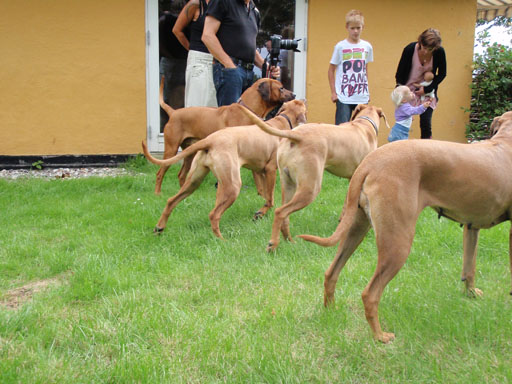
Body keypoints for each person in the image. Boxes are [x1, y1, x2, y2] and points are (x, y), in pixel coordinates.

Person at [201, 0, 280, 106]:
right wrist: (229, 65)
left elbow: (249, 47)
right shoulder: (223, 2)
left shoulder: (254, 10)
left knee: (245, 119)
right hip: (230, 71)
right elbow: (207, 35)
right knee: (231, 119)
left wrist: (266, 66)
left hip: (248, 72)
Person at [395, 28, 446, 139]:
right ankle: (399, 148)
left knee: (425, 123)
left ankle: (427, 151)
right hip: (408, 91)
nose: (426, 52)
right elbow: (399, 74)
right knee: (403, 122)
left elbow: (442, 74)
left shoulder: (439, 52)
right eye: (424, 48)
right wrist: (400, 92)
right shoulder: (409, 50)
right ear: (420, 42)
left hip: (428, 92)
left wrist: (427, 89)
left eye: (430, 49)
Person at [328, 10, 373, 125]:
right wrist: (333, 92)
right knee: (342, 129)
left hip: (361, 96)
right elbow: (331, 70)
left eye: (358, 28)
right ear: (347, 27)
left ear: (363, 27)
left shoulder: (367, 46)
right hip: (344, 96)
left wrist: (367, 90)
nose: (355, 31)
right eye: (352, 28)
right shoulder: (340, 47)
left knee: (362, 128)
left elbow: (365, 68)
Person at [173, 0, 218, 108]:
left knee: (215, 108)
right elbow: (177, 30)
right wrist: (192, 49)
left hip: (217, 62)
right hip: (199, 60)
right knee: (196, 107)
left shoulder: (222, 5)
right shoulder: (196, 4)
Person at [159, 7, 188, 131]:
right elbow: (158, 41)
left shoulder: (193, 14)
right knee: (166, 99)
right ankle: (164, 129)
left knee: (182, 98)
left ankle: (181, 129)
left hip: (184, 61)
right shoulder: (165, 19)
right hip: (169, 61)